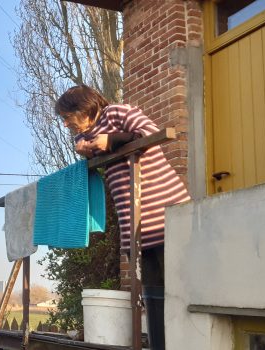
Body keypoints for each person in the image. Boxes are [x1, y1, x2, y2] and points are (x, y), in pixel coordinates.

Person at [55, 85, 190, 350]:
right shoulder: (87, 135)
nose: (65, 123)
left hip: (165, 215)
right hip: (136, 227)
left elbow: (151, 132)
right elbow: (87, 144)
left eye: (66, 116)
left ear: (82, 107)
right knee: (151, 292)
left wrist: (111, 141)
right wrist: (87, 148)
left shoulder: (116, 113)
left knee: (180, 287)